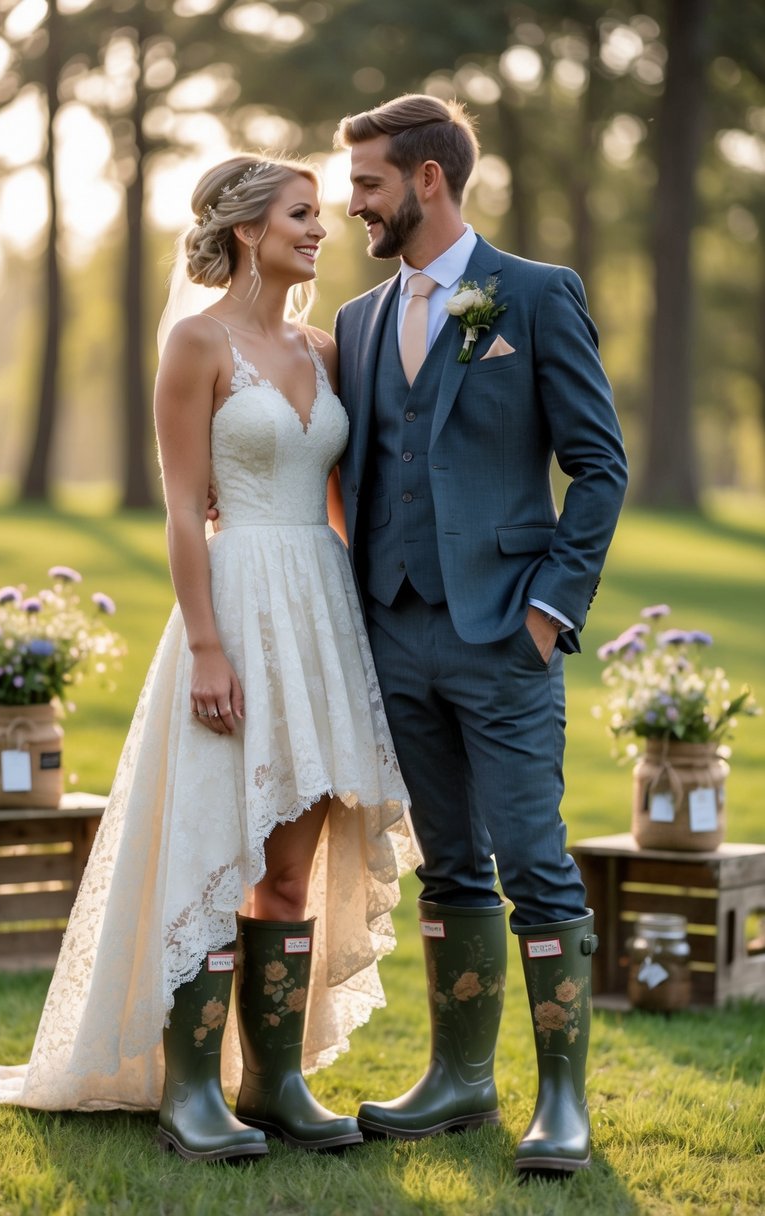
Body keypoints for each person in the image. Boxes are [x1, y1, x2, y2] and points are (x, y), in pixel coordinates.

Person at [0, 154, 415, 1163]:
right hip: (234, 606)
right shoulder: (195, 343)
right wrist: (206, 644)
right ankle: (191, 1090)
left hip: (320, 610)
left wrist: (368, 621)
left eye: (318, 216)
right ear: (247, 228)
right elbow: (180, 511)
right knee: (214, 843)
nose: (317, 229)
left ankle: (275, 1080)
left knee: (288, 873)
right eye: (299, 214)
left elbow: (343, 500)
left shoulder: (327, 349)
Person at [332, 95, 629, 1175]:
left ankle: (562, 1100)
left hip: (506, 633)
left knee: (535, 867)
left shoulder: (537, 296)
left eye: (366, 181)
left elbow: (599, 465)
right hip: (394, 630)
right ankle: (460, 1079)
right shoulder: (360, 322)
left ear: (425, 180)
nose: (349, 201)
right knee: (447, 865)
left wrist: (551, 610)